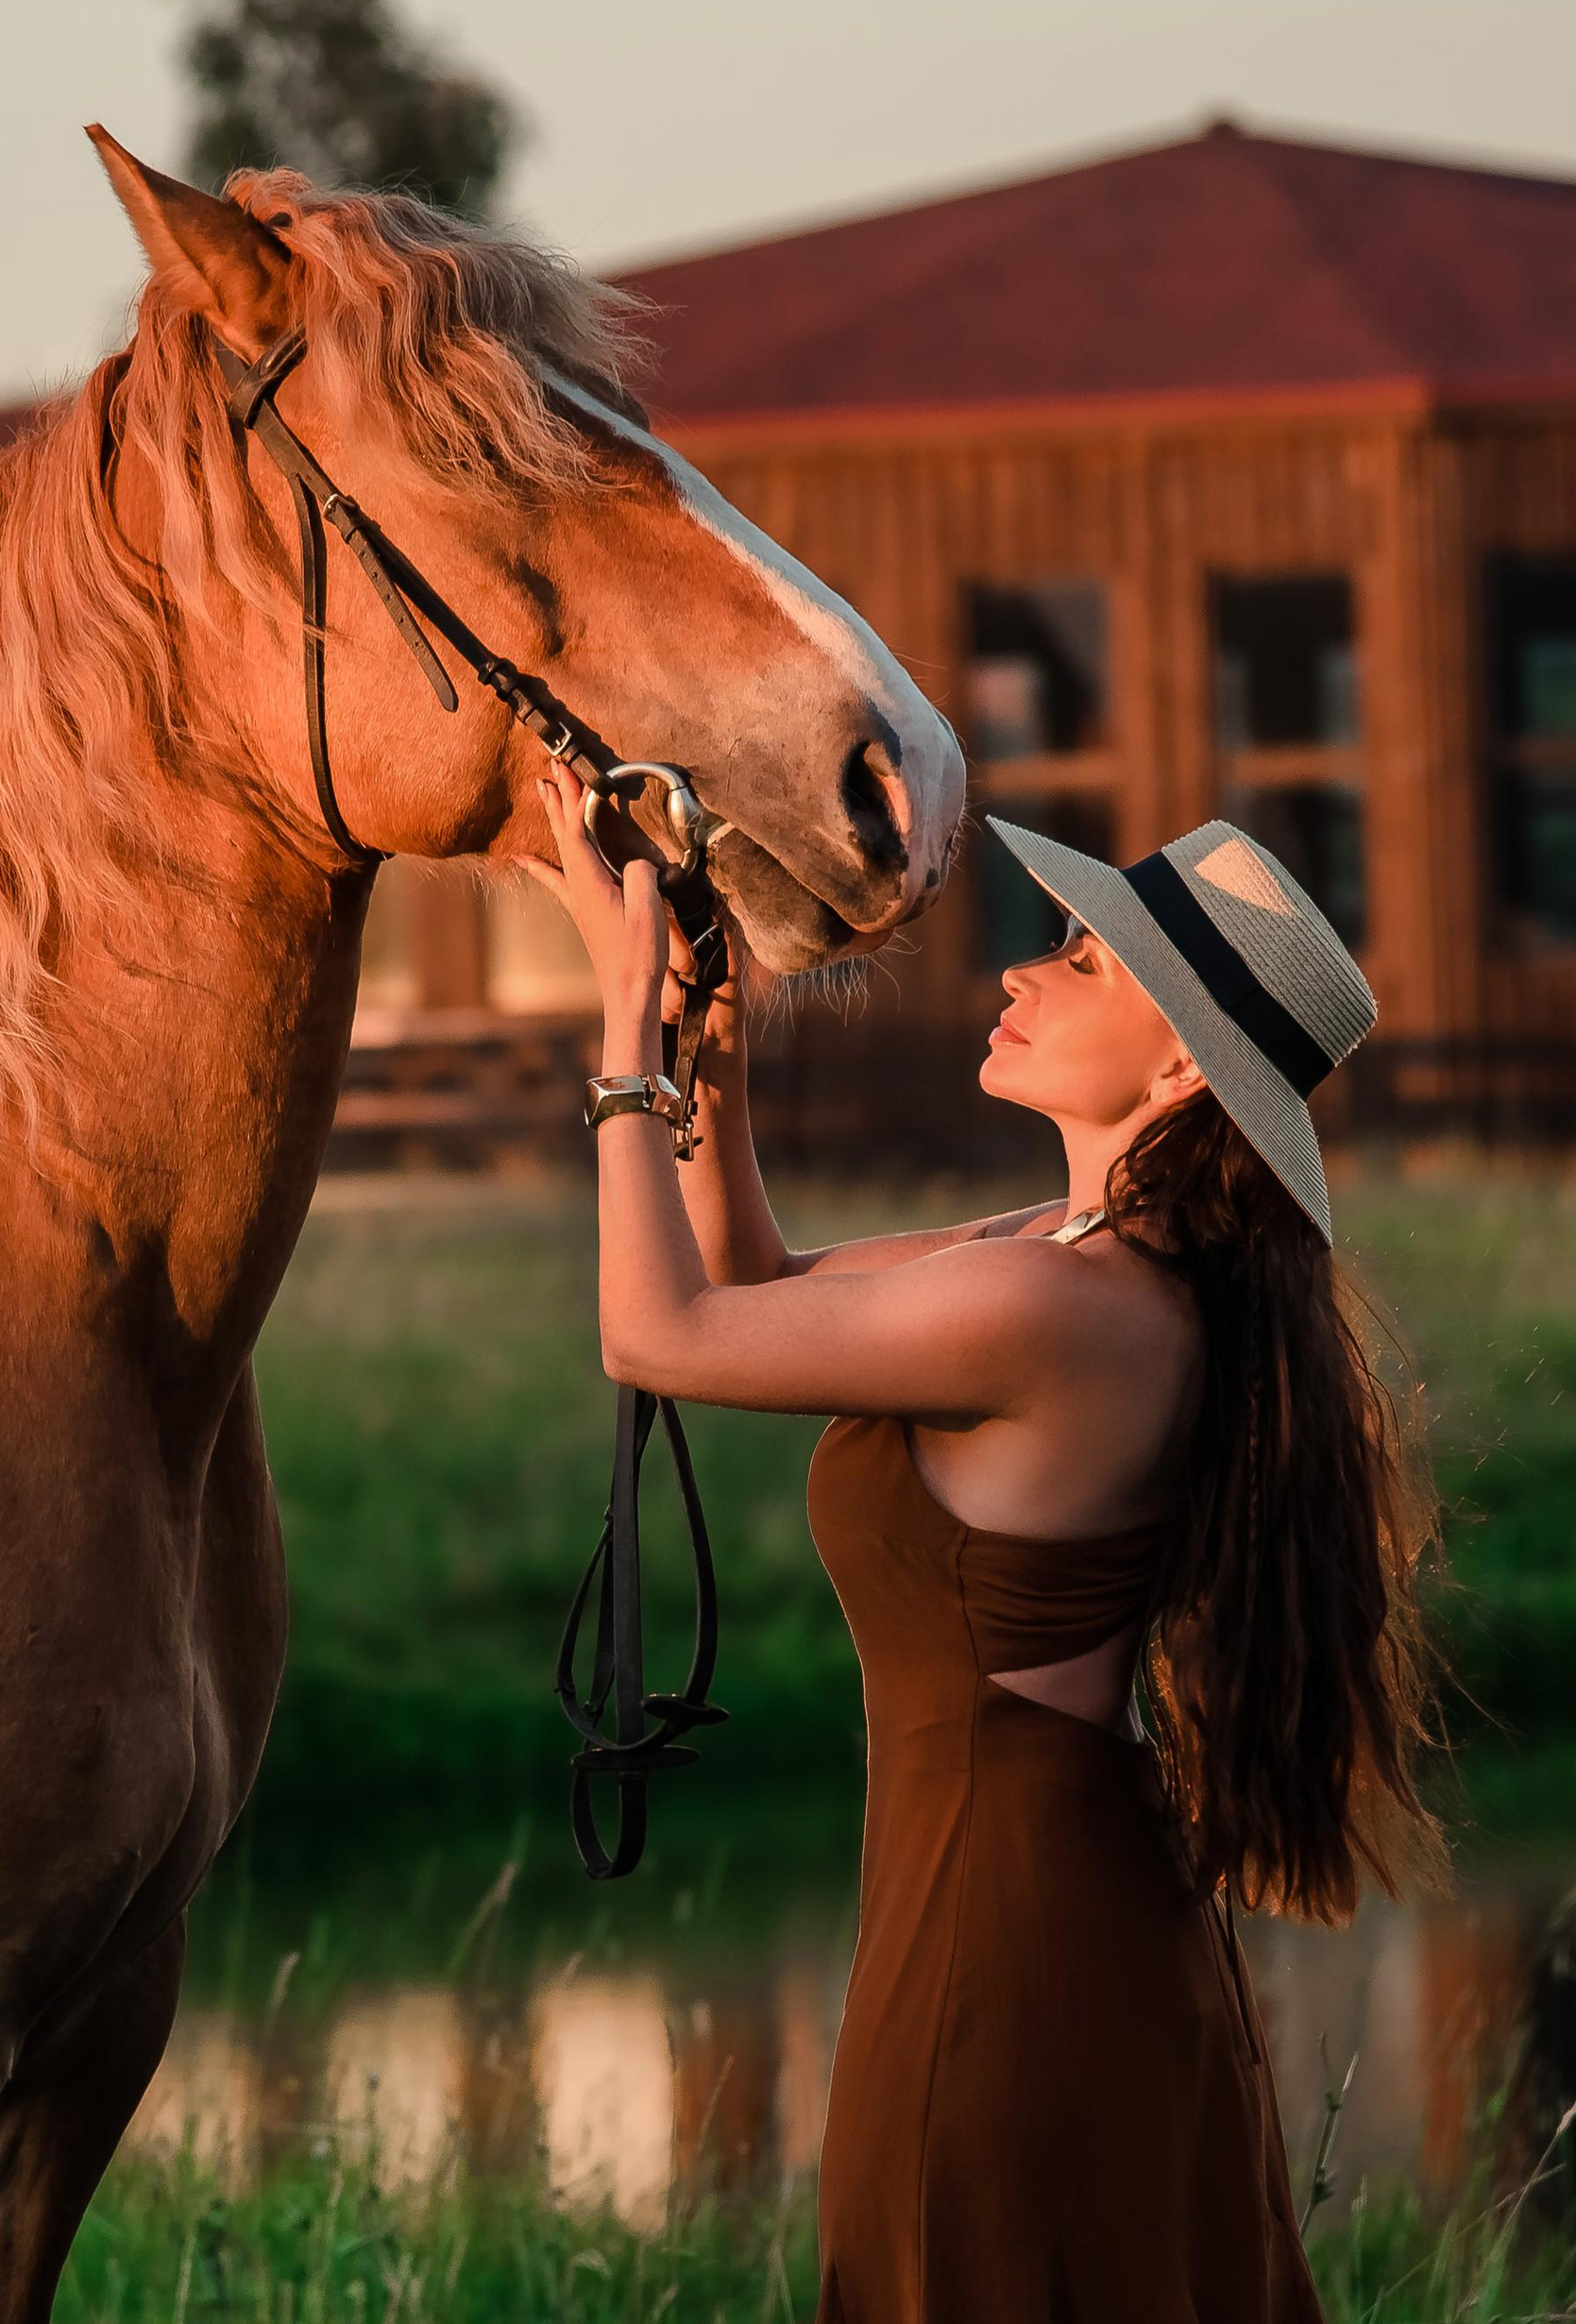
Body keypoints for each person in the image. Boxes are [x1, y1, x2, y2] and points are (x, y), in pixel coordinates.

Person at [523, 767, 1451, 2323]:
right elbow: (753, 1285)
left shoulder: (1061, 1313)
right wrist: (716, 1065)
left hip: (1008, 1926)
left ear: (1176, 1070)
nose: (1026, 966)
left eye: (1083, 961)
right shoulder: (1062, 1256)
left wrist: (621, 1038)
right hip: (1032, 1895)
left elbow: (656, 1332)